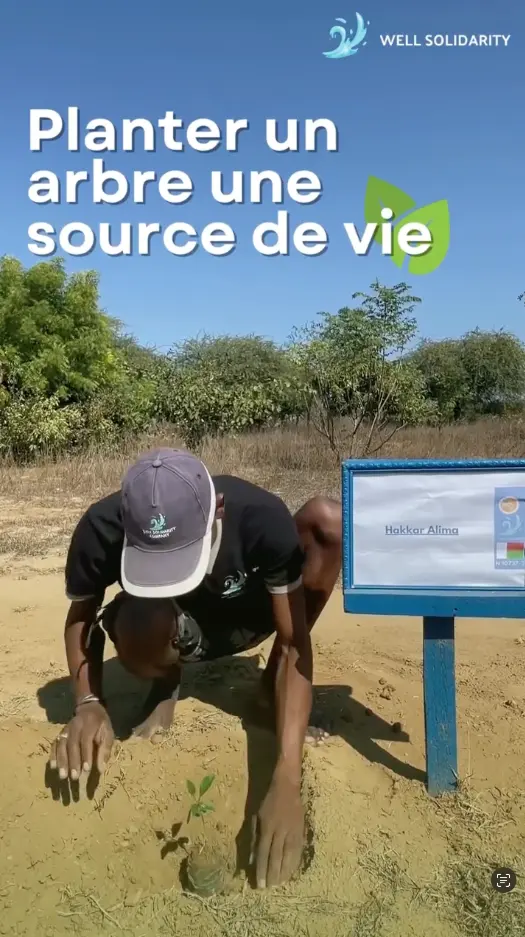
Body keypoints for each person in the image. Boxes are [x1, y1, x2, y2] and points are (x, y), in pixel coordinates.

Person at [49, 448, 342, 887]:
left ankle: (271, 692)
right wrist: (88, 702)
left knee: (329, 522)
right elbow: (80, 620)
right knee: (137, 620)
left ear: (216, 510)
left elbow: (296, 643)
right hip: (169, 626)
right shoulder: (101, 527)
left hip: (250, 614)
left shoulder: (260, 517)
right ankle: (165, 683)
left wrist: (287, 775)